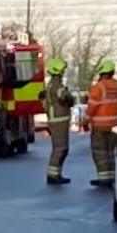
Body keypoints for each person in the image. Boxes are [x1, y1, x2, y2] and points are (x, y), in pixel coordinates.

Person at [85, 59, 117, 187]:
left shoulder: (98, 87)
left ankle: (103, 178)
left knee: (100, 152)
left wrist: (85, 120)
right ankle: (111, 176)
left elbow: (92, 106)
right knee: (110, 151)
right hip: (115, 126)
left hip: (100, 126)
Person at [43, 58, 78, 186]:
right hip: (58, 120)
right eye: (62, 70)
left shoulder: (53, 83)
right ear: (58, 71)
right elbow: (64, 96)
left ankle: (56, 174)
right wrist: (70, 97)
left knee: (61, 148)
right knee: (60, 149)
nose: (64, 72)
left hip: (58, 120)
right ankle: (53, 176)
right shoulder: (56, 84)